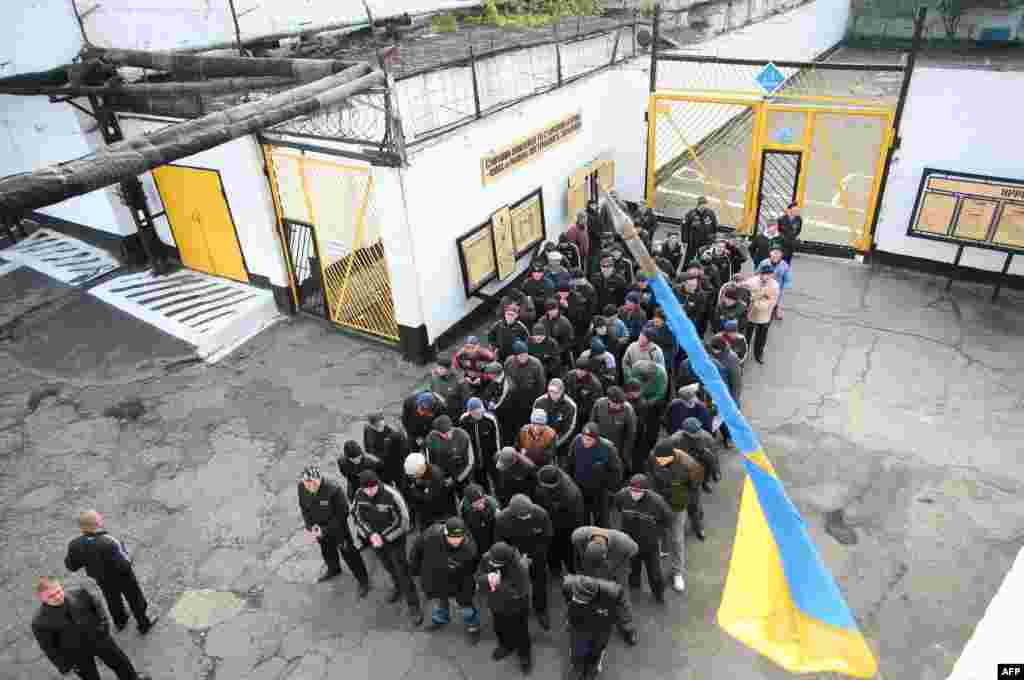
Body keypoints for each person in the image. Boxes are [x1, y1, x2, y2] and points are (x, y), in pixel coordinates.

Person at [32, 577, 153, 680]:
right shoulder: (40, 622)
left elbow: (97, 605)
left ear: (60, 587)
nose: (58, 597)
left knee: (121, 663)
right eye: (51, 596)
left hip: (99, 638)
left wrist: (104, 627)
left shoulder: (79, 593)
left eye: (58, 591)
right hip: (77, 654)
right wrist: (65, 666)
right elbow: (49, 648)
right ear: (42, 598)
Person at [64, 510, 158, 635]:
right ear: (98, 522)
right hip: (123, 576)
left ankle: (120, 622)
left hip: (101, 578)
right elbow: (125, 562)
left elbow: (71, 566)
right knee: (135, 598)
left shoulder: (74, 545)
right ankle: (143, 623)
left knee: (112, 599)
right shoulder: (109, 541)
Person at [349, 470, 422, 623]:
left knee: (402, 570)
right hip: (375, 540)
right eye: (366, 489)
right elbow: (356, 516)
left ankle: (414, 604)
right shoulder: (359, 495)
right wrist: (370, 535)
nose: (369, 492)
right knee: (387, 565)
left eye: (372, 487)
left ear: (378, 484)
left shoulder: (391, 495)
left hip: (394, 539)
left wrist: (384, 537)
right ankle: (398, 587)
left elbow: (404, 521)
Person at [297, 465, 371, 593]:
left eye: (313, 483)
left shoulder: (333, 489)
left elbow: (342, 514)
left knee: (349, 554)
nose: (310, 487)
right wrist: (310, 526)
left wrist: (324, 530)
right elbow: (304, 508)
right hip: (318, 529)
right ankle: (334, 569)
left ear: (319, 479)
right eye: (307, 484)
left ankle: (363, 581)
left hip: (338, 530)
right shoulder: (302, 487)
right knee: (327, 550)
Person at [648, 438, 705, 592]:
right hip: (660, 503)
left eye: (663, 460)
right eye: (658, 459)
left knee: (677, 539)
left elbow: (696, 485)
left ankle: (677, 573)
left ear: (672, 456)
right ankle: (664, 548)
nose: (660, 462)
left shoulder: (689, 464)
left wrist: (686, 500)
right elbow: (651, 476)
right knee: (659, 530)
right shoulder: (654, 457)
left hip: (677, 506)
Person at [410, 517, 481, 642]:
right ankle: (441, 619)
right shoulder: (431, 534)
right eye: (452, 538)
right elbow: (416, 549)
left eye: (459, 538)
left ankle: (473, 627)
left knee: (466, 608)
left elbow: (470, 571)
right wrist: (415, 570)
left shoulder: (469, 549)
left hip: (459, 583)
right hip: (436, 579)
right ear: (445, 533)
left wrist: (468, 589)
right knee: (441, 602)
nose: (456, 541)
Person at [571, 526, 639, 645]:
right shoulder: (578, 536)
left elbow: (634, 551)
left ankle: (627, 626)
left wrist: (615, 566)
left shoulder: (624, 542)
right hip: (589, 564)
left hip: (618, 567)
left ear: (605, 554)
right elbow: (578, 551)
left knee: (621, 596)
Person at [495, 494, 554, 630]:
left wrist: (531, 556)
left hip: (536, 556)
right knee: (515, 584)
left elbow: (546, 537)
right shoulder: (502, 519)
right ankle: (518, 610)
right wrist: (516, 558)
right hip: (513, 558)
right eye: (523, 516)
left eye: (529, 513)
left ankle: (541, 610)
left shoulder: (540, 514)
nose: (528, 516)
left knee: (539, 582)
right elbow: (500, 543)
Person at [612, 475, 671, 603]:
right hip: (631, 543)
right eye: (633, 490)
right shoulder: (622, 495)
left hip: (650, 545)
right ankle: (635, 590)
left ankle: (658, 594)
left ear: (646, 491)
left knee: (655, 573)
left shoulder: (657, 502)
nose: (635, 494)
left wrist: (657, 533)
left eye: (639, 492)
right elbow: (617, 506)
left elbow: (667, 519)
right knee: (633, 570)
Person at [476, 542, 533, 674]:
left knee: (521, 631)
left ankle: (524, 654)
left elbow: (520, 590)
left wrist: (498, 583)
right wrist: (488, 579)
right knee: (500, 627)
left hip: (517, 606)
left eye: (497, 564)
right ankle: (506, 646)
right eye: (492, 562)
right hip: (496, 604)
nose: (493, 565)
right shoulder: (487, 558)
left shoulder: (519, 566)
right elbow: (479, 577)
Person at [562, 574, 631, 680]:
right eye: (575, 597)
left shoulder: (612, 591)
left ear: (592, 596)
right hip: (579, 623)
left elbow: (623, 606)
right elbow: (567, 599)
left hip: (601, 624)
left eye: (580, 599)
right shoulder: (568, 584)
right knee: (577, 648)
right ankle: (577, 668)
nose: (575, 599)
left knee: (597, 649)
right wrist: (569, 620)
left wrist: (626, 624)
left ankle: (591, 668)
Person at [567, 423, 623, 527]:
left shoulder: (608, 448)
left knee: (602, 521)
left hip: (600, 491)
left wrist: (611, 490)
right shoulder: (576, 441)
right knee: (582, 518)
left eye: (589, 440)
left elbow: (616, 471)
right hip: (581, 487)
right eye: (584, 438)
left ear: (596, 439)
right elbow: (570, 462)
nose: (585, 442)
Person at [534, 464, 585, 577]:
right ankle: (555, 569)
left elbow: (577, 516)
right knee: (552, 548)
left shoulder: (570, 493)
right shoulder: (544, 478)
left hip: (567, 525)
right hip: (551, 522)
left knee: (568, 549)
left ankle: (572, 571)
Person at [589, 387, 637, 478]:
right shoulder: (599, 404)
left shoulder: (628, 410)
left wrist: (625, 453)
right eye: (615, 404)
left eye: (620, 404)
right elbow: (592, 424)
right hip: (599, 443)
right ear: (608, 400)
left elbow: (631, 434)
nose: (618, 406)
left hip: (617, 447)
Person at [425, 415, 475, 499]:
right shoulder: (431, 439)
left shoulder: (463, 436)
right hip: (442, 479)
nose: (445, 436)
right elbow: (430, 462)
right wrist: (440, 479)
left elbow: (470, 462)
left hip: (462, 477)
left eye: (447, 433)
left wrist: (456, 479)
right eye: (441, 434)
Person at [706, 337, 743, 449]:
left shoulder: (731, 359)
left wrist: (734, 401)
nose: (712, 352)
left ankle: (729, 437)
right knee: (713, 416)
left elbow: (736, 383)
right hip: (712, 391)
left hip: (725, 394)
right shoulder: (711, 350)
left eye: (714, 350)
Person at [741, 261, 780, 364]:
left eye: (768, 275)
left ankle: (758, 354)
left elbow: (773, 301)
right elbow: (743, 289)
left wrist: (763, 305)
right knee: (746, 336)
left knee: (761, 337)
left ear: (772, 275)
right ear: (760, 274)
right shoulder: (752, 281)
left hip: (765, 315)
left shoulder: (775, 285)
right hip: (751, 313)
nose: (765, 277)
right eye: (764, 274)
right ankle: (743, 354)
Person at [460, 397, 502, 492]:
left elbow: (497, 438)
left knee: (497, 480)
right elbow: (464, 439)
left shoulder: (490, 419)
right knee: (481, 482)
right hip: (476, 459)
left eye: (480, 411)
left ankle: (501, 497)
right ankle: (486, 496)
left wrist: (498, 453)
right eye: (474, 413)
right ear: (469, 412)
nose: (478, 414)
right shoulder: (464, 420)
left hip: (490, 457)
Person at [504, 340, 548, 432]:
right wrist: (510, 384)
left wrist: (537, 400)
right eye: (521, 355)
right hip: (514, 397)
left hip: (530, 397)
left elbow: (541, 384)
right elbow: (506, 374)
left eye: (525, 354)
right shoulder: (509, 361)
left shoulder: (536, 364)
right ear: (515, 356)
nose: (524, 357)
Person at [532, 377, 579, 461]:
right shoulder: (539, 402)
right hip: (541, 441)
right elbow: (534, 422)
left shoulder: (571, 406)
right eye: (550, 391)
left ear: (561, 391)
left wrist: (554, 444)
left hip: (561, 443)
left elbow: (569, 429)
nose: (552, 394)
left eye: (555, 392)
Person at [404, 452, 454, 530]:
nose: (412, 477)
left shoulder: (435, 476)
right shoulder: (422, 472)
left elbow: (429, 498)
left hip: (437, 515)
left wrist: (414, 490)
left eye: (413, 475)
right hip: (426, 512)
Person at [364, 413, 408, 487]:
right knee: (386, 486)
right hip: (380, 467)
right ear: (372, 426)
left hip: (395, 465)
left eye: (380, 424)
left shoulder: (393, 433)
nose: (379, 427)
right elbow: (367, 446)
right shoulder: (368, 430)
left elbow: (403, 450)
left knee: (401, 485)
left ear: (383, 421)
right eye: (376, 426)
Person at [562, 364, 604, 439]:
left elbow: (595, 404)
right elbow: (562, 389)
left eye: (583, 370)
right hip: (568, 410)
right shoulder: (569, 376)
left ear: (587, 371)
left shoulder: (594, 384)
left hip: (583, 416)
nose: (579, 372)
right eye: (578, 369)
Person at [459, 483, 499, 554]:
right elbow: (467, 523)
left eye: (481, 500)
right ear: (470, 502)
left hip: (490, 530)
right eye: (476, 502)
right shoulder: (464, 508)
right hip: (476, 532)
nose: (480, 504)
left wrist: (484, 511)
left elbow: (496, 517)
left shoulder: (491, 502)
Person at [430, 354, 471, 423]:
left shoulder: (460, 381)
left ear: (448, 369)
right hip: (440, 414)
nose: (438, 370)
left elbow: (465, 400)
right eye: (437, 368)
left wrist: (463, 417)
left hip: (455, 415)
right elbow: (432, 391)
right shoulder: (434, 378)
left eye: (441, 368)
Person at [541, 297, 576, 370]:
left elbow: (570, 340)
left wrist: (557, 351)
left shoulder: (564, 322)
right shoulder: (542, 321)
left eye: (554, 309)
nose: (552, 312)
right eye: (550, 310)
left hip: (562, 355)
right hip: (545, 353)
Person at [759, 246, 793, 321]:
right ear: (770, 254)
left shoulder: (784, 265)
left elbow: (788, 279)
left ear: (781, 255)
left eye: (778, 253)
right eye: (774, 253)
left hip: (777, 289)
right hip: (764, 286)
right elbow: (757, 274)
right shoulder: (764, 262)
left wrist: (785, 287)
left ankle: (777, 308)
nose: (776, 255)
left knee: (777, 301)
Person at [682, 196, 718, 265]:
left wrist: (713, 240)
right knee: (689, 258)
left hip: (705, 241)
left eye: (705, 205)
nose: (704, 207)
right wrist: (684, 240)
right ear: (698, 205)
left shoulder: (710, 214)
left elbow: (715, 226)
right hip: (692, 241)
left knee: (703, 259)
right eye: (702, 205)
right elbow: (684, 227)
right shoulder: (691, 214)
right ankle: (687, 269)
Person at [566, 210, 593, 275]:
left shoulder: (584, 228)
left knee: (584, 272)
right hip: (577, 258)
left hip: (584, 256)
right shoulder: (573, 230)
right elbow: (572, 245)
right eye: (583, 218)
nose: (585, 220)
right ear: (579, 219)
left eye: (586, 218)